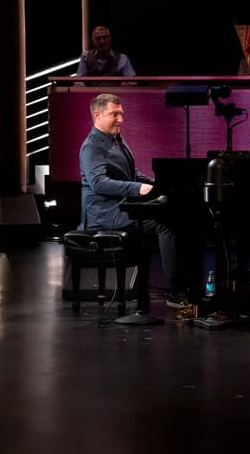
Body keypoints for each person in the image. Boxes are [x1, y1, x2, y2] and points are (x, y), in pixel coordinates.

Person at [79, 93, 197, 309]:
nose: (121, 120)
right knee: (165, 225)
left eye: (121, 114)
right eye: (114, 115)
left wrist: (158, 185)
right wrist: (138, 188)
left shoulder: (117, 140)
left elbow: (132, 173)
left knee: (179, 220)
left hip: (123, 208)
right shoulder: (92, 146)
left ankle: (189, 286)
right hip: (105, 215)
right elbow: (99, 183)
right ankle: (175, 292)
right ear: (97, 115)